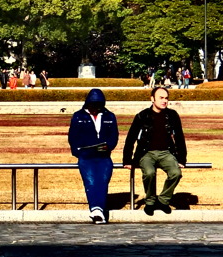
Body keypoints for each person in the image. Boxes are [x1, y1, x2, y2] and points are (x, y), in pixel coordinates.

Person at [122, 86, 187, 215]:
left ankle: (163, 201)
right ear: (152, 99)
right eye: (161, 98)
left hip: (166, 152)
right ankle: (150, 201)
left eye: (166, 98)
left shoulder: (172, 115)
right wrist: (127, 160)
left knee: (176, 173)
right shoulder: (142, 116)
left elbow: (179, 137)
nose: (164, 101)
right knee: (150, 173)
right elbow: (131, 138)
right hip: (146, 153)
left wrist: (181, 159)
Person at [68, 89, 119, 224]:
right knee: (90, 181)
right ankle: (96, 210)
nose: (95, 109)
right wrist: (77, 151)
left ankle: (98, 209)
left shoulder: (109, 116)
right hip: (86, 156)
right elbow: (73, 136)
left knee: (102, 181)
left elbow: (114, 136)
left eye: (98, 105)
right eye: (92, 105)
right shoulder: (78, 116)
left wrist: (109, 146)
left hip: (104, 156)